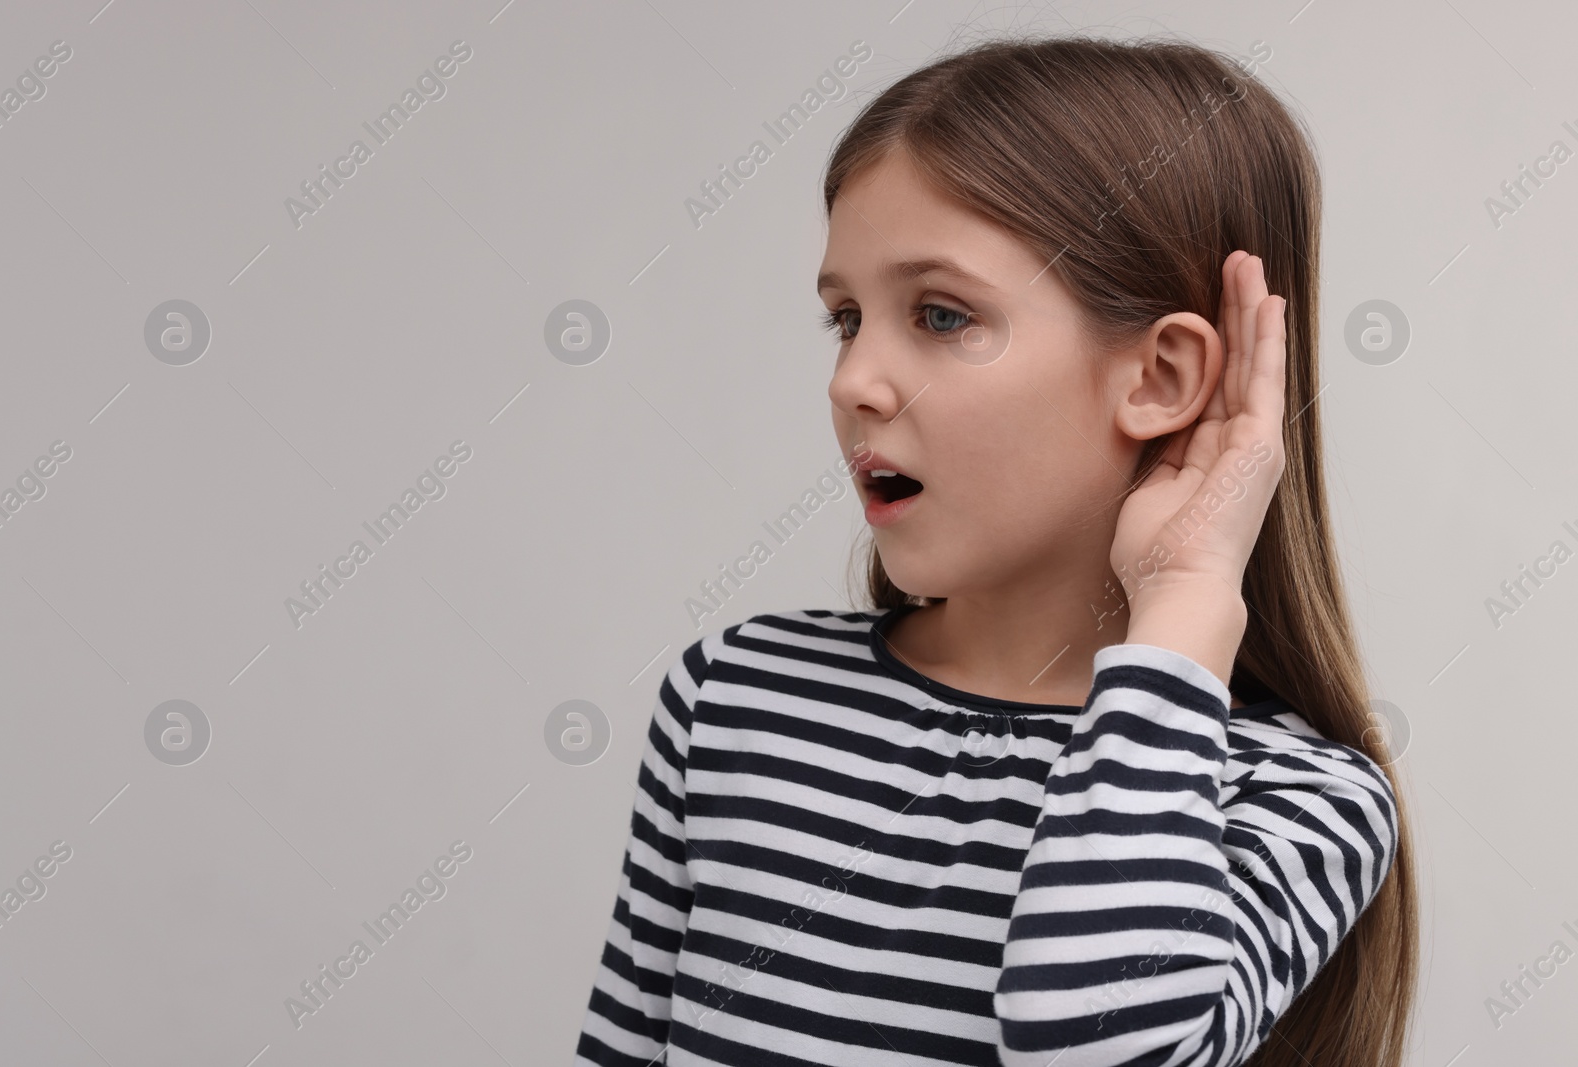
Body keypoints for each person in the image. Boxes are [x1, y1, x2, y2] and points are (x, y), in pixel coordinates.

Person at [573, 33, 1416, 1067]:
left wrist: (1188, 598)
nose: (854, 381)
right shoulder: (733, 698)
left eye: (940, 314)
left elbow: (1095, 1047)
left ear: (1158, 376)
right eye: (846, 317)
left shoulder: (1292, 795)